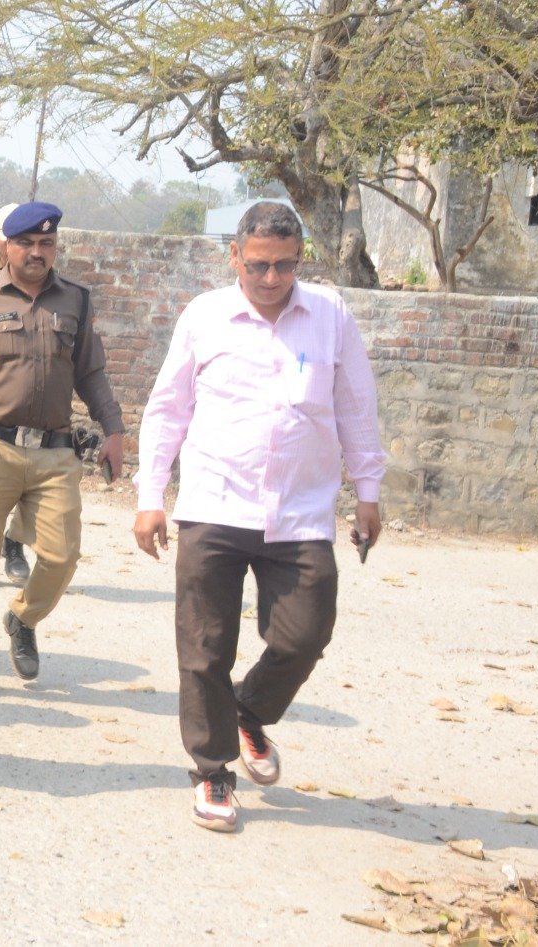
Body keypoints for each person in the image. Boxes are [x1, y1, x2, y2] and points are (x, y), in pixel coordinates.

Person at [133, 200, 384, 833]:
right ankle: (212, 770)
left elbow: (355, 406)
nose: (272, 278)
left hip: (300, 510)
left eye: (285, 265)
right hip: (215, 505)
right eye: (258, 265)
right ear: (235, 257)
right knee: (204, 647)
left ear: (301, 259)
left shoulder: (329, 315)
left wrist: (369, 491)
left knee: (305, 634)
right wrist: (150, 495)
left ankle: (248, 712)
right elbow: (167, 410)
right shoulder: (205, 316)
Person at [0, 200, 125, 702]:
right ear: (5, 245)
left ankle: (22, 617)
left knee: (62, 555)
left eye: (46, 243)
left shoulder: (75, 300)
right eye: (26, 243)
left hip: (54, 454)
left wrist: (114, 430)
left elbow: (90, 372)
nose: (36, 252)